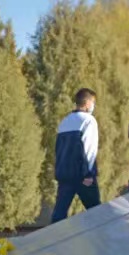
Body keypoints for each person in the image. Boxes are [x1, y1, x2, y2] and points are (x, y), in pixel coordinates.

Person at [51, 88, 100, 224]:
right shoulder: (89, 120)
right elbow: (89, 148)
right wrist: (88, 173)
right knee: (97, 211)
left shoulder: (64, 121)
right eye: (93, 102)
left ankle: (54, 241)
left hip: (65, 174)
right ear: (88, 103)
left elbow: (59, 150)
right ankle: (103, 241)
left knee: (59, 214)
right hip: (82, 174)